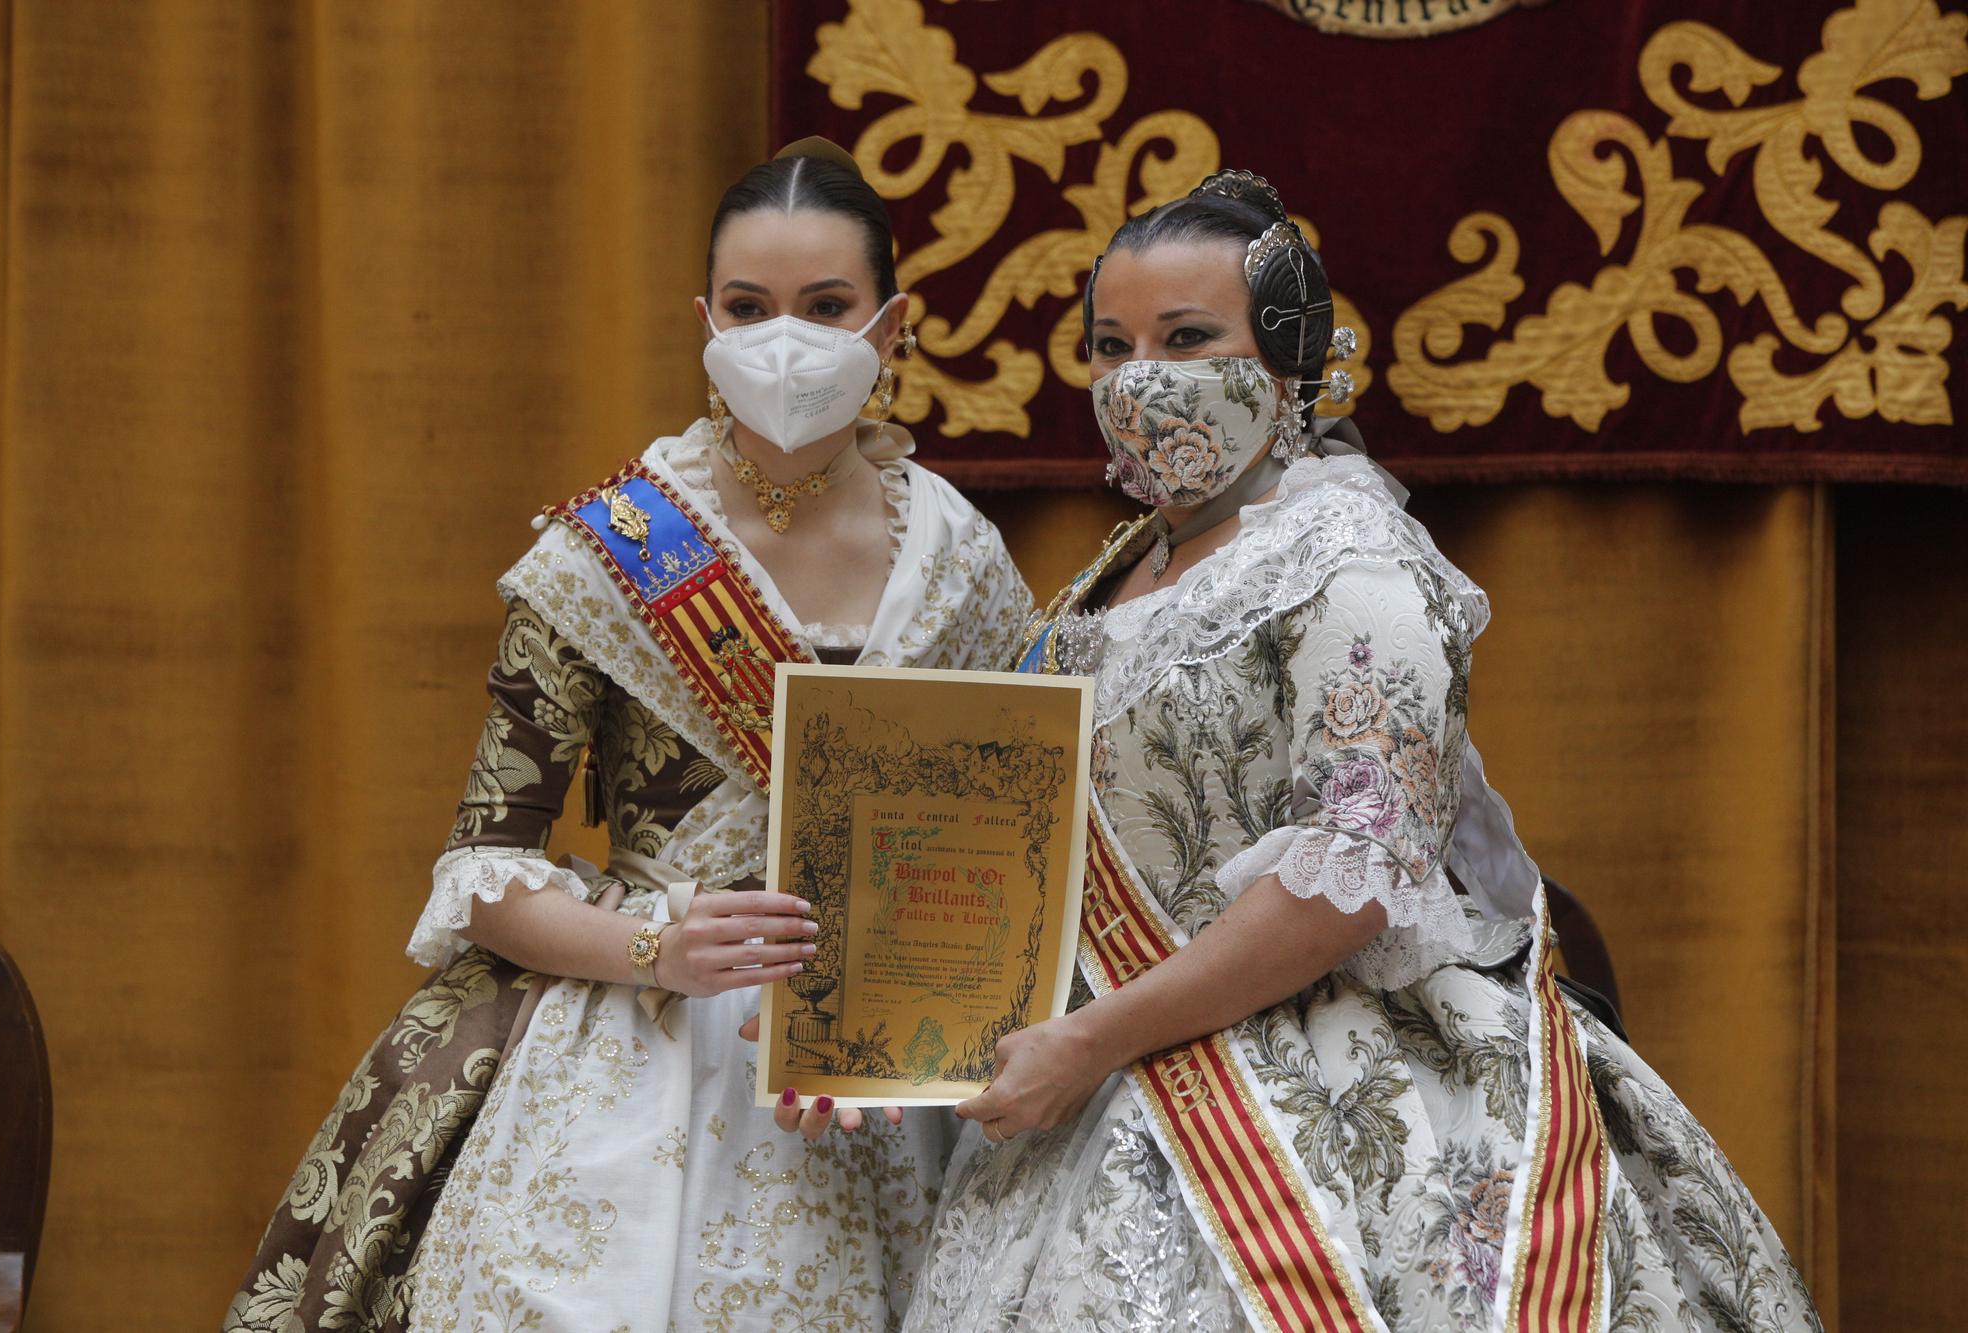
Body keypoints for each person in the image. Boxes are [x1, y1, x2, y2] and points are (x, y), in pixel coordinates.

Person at [900, 171, 1821, 1332]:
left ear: (1288, 359)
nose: (1140, 377)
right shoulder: (1117, 566)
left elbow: (1344, 887)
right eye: (1109, 344)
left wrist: (1092, 1039)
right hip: (1096, 1075)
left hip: (1320, 1081)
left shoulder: (1353, 559)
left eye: (1186, 337)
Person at [226, 139, 1034, 1333]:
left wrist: (890, 1019)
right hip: (629, 1054)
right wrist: (659, 946)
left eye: (826, 307)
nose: (784, 341)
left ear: (891, 322)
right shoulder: (605, 552)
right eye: (750, 308)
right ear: (702, 320)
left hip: (881, 1080)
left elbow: (1006, 854)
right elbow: (482, 873)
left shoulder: (964, 565)